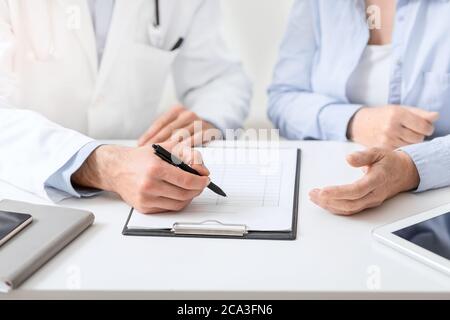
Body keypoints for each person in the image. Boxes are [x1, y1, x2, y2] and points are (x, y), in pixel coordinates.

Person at [0, 0, 252, 213]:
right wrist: (103, 165)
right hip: (29, 195)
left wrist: (207, 117)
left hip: (141, 197)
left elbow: (218, 77)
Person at [268, 0, 450, 215]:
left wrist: (410, 168)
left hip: (433, 206)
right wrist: (354, 121)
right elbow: (282, 98)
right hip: (324, 201)